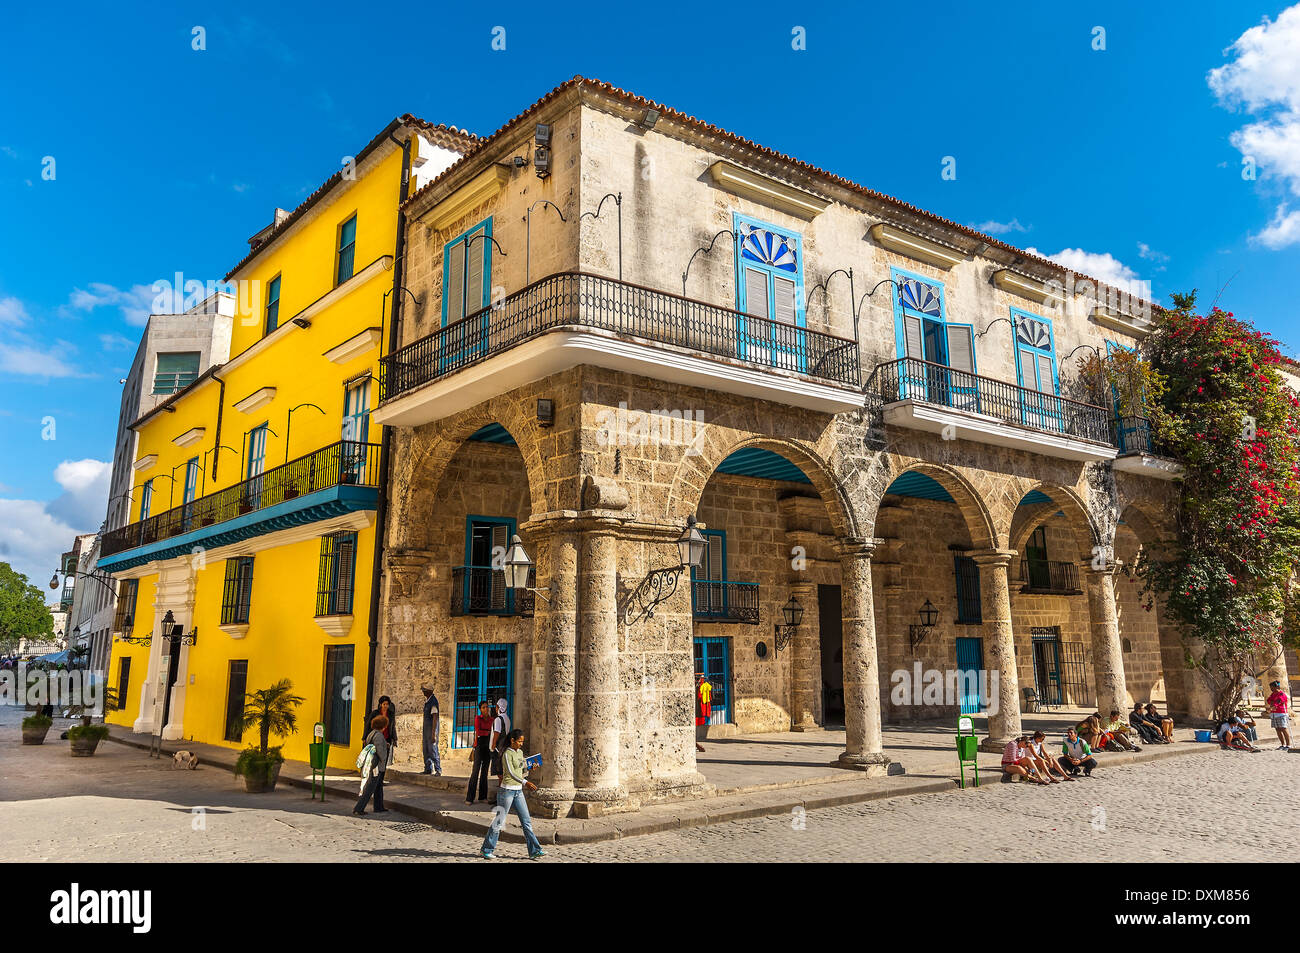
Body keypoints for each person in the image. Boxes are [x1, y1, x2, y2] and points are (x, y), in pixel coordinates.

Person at [481, 729, 544, 860]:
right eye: (519, 741)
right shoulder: (506, 754)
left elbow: (520, 769)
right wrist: (526, 782)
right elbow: (510, 773)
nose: (521, 744)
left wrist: (530, 768)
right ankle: (486, 849)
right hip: (506, 792)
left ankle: (535, 850)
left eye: (522, 741)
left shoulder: (520, 753)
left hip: (518, 792)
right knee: (499, 822)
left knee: (526, 822)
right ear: (512, 741)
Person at [354, 714, 391, 815]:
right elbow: (380, 751)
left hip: (372, 763)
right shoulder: (379, 736)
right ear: (383, 725)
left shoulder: (371, 734)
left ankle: (379, 806)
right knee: (370, 788)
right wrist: (384, 757)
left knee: (378, 786)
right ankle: (359, 808)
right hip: (376, 765)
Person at [466, 700, 494, 805]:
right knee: (475, 771)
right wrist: (488, 732)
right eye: (483, 707)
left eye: (487, 707)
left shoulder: (492, 720)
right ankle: (469, 798)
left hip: (488, 747)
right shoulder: (478, 718)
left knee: (484, 772)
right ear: (480, 709)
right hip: (479, 746)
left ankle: (483, 797)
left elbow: (491, 733)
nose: (486, 709)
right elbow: (479, 731)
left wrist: (486, 732)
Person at [363, 695, 399, 775]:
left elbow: (393, 727)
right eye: (384, 704)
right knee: (375, 759)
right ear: (380, 704)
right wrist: (364, 737)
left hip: (387, 739)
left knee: (384, 760)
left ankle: (381, 778)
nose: (385, 706)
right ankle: (373, 776)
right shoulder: (375, 713)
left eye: (387, 704)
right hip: (376, 739)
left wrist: (395, 739)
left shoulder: (391, 715)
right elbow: (368, 725)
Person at [489, 697, 512, 783]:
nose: (495, 709)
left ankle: (502, 786)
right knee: (501, 767)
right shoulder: (507, 719)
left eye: (496, 707)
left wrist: (493, 744)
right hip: (504, 745)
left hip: (498, 747)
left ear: (499, 707)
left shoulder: (498, 719)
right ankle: (501, 785)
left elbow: (497, 732)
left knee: (498, 769)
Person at [420, 684, 441, 776]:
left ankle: (438, 769)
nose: (423, 692)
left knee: (433, 749)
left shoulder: (433, 702)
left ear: (429, 691)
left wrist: (433, 734)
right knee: (426, 748)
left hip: (431, 729)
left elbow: (435, 717)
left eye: (424, 690)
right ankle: (428, 768)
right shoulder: (428, 701)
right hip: (426, 729)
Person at [1265, 680, 1291, 751]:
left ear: (1276, 687)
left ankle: (1288, 745)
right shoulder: (1273, 694)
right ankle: (1282, 744)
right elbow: (1269, 700)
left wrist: (1272, 705)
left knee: (1283, 729)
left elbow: (1276, 703)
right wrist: (1272, 704)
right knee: (1278, 729)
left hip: (1281, 714)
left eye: (1272, 687)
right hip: (1274, 714)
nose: (1271, 689)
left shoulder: (1282, 694)